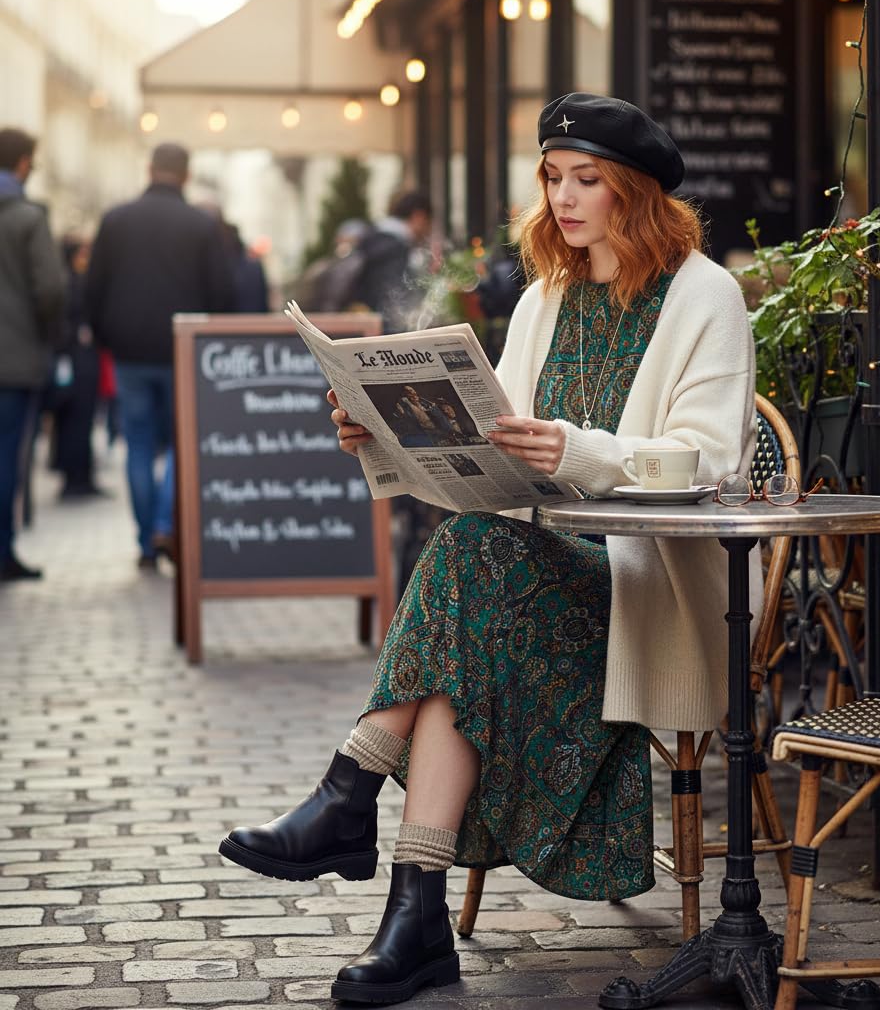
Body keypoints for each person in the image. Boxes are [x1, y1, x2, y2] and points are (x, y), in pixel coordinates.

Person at [219, 93, 759, 1005]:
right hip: (528, 567)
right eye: (552, 179)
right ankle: (410, 904)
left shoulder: (707, 294)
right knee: (475, 560)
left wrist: (583, 450)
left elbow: (712, 461)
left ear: (636, 190)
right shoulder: (549, 294)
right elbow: (487, 449)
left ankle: (356, 802)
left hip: (646, 585)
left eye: (586, 180)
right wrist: (385, 439)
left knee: (472, 566)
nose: (563, 199)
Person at [85, 142, 234, 569]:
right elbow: (223, 292)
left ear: (149, 169)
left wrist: (104, 338)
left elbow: (93, 288)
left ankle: (146, 541)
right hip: (185, 353)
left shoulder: (115, 220)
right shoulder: (201, 225)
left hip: (129, 351)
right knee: (182, 441)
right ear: (186, 175)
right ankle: (166, 523)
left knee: (138, 444)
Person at [0, 127, 65, 582]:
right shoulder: (26, 217)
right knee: (6, 457)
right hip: (13, 360)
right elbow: (51, 289)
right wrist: (44, 332)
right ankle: (2, 552)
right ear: (23, 163)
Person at [51, 236, 105, 500]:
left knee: (76, 421)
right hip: (77, 362)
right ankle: (76, 478)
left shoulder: (68, 280)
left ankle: (79, 476)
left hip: (73, 362)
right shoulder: (72, 283)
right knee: (77, 421)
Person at [348, 191, 434, 333]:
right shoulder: (394, 248)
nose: (429, 230)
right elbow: (393, 301)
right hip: (380, 333)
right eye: (429, 222)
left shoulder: (376, 238)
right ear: (419, 217)